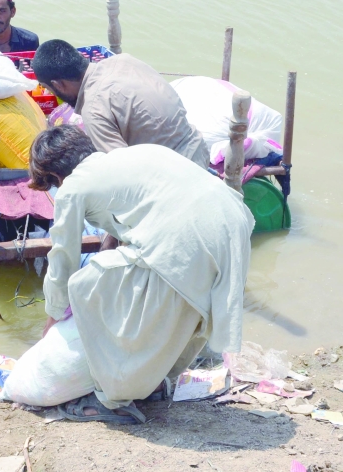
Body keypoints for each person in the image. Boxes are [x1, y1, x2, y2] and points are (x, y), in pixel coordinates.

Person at [29, 125, 253, 419]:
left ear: (55, 177)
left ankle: (114, 397)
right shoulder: (135, 156)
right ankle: (156, 379)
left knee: (86, 285)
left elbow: (62, 264)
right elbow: (123, 228)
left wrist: (52, 323)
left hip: (188, 235)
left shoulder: (73, 188)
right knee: (179, 303)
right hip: (233, 223)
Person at [31, 39, 210, 168]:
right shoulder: (124, 60)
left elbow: (123, 172)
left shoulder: (93, 109)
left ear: (58, 84)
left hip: (179, 172)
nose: (49, 94)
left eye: (48, 89)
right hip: (198, 147)